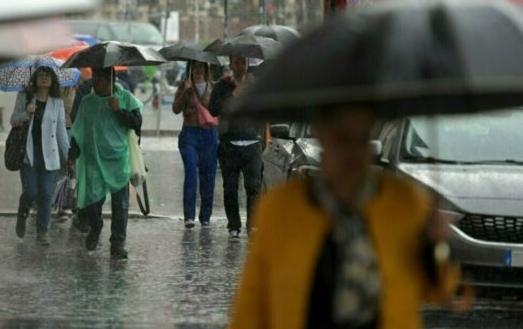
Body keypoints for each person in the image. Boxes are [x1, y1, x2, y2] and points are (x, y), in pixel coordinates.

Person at [230, 105, 460, 329]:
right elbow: (251, 308)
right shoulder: (281, 208)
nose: (352, 154)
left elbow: (440, 291)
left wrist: (437, 245)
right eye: (342, 140)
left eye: (361, 141)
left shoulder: (405, 202)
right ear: (322, 137)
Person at [67, 66, 143, 258]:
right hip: (93, 160)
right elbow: (78, 131)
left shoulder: (124, 97)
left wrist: (119, 111)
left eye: (100, 79)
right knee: (93, 202)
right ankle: (96, 225)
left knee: (121, 205)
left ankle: (117, 243)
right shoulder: (87, 102)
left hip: (118, 161)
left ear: (111, 80)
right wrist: (71, 155)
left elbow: (137, 123)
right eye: (95, 78)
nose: (96, 83)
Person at [11, 66, 69, 245]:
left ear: (52, 80)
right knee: (31, 191)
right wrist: (26, 113)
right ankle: (23, 211)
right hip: (29, 153)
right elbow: (13, 120)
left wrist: (69, 157)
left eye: (48, 75)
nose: (44, 78)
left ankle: (42, 231)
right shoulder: (24, 97)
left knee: (45, 195)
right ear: (35, 78)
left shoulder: (57, 102)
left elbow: (61, 132)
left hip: (49, 155)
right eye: (41, 75)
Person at [209, 56, 262, 239]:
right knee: (230, 187)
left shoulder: (256, 85)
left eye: (243, 63)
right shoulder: (222, 85)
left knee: (253, 186)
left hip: (252, 142)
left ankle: (252, 224)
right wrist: (235, 94)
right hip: (229, 144)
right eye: (236, 63)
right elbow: (213, 109)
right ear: (231, 65)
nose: (240, 67)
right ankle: (234, 225)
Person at [172, 60, 218, 229]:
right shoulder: (185, 85)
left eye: (201, 66)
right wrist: (185, 92)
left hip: (209, 135)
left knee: (208, 175)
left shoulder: (213, 86)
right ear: (189, 68)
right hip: (189, 134)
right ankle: (189, 216)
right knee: (191, 172)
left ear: (206, 68)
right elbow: (175, 109)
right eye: (194, 66)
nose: (198, 70)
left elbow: (217, 109)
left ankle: (205, 216)